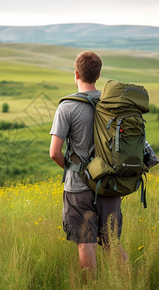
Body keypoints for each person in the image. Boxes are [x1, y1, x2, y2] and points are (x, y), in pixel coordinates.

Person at [49, 51, 127, 276]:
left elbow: (54, 153)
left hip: (78, 187)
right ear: (99, 75)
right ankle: (128, 286)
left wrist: (76, 171)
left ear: (76, 74)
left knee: (85, 243)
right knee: (111, 242)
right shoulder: (112, 104)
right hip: (110, 185)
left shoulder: (67, 107)